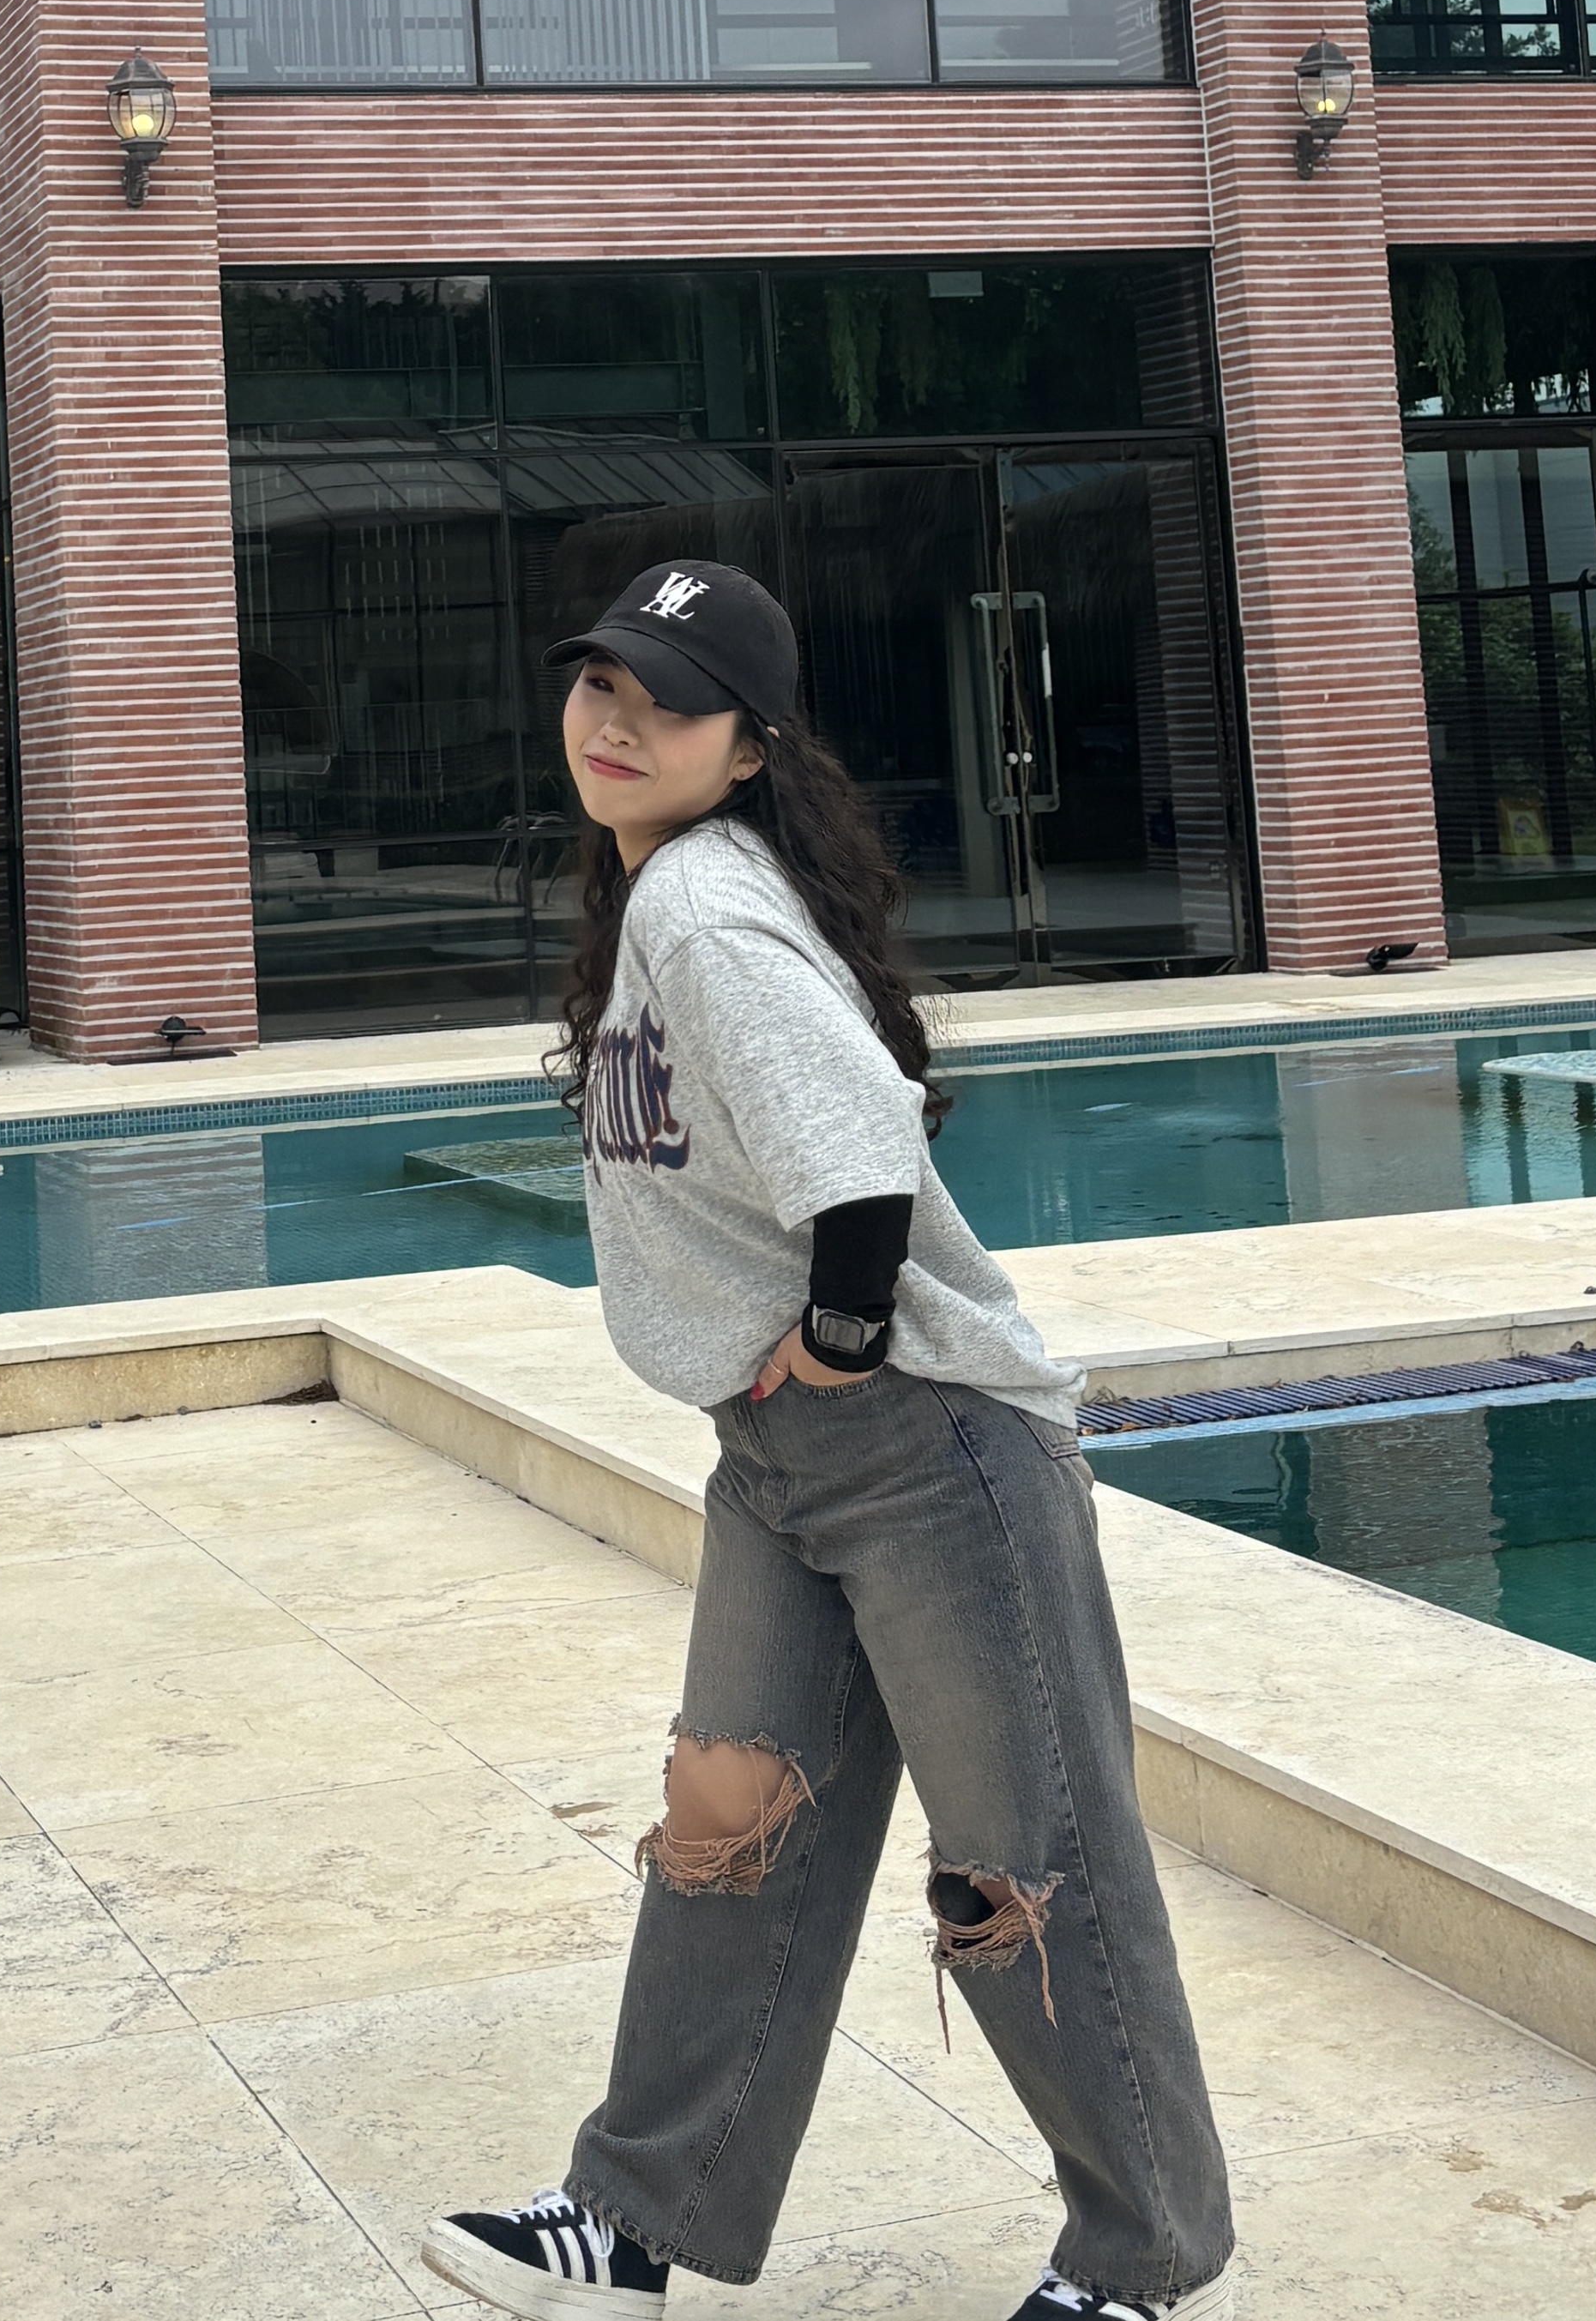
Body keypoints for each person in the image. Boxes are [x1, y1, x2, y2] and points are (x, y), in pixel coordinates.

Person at [421, 561, 1240, 2321]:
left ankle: (1143, 2258)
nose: (616, 720)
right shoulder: (663, 893)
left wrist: (844, 1336)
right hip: (783, 1461)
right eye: (601, 682)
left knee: (1025, 1862)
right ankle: (635, 2218)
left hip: (925, 1454)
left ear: (748, 749)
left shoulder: (702, 908)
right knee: (732, 1829)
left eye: (669, 700)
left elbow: (861, 1155)